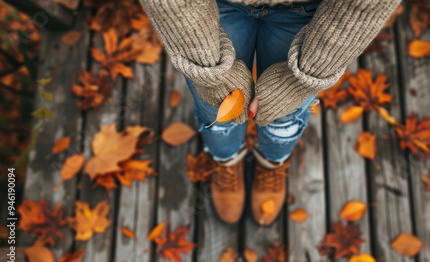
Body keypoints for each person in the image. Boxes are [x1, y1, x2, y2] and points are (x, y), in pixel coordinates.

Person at [139, 0, 401, 225]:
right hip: (211, 7)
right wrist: (209, 70)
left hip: (306, 10)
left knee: (285, 115)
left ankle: (271, 163)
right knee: (215, 110)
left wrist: (304, 78)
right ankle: (226, 160)